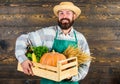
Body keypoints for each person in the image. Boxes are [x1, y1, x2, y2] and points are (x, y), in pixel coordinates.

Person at [15, 1, 91, 84]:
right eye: (61, 13)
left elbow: (85, 64)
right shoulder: (47, 33)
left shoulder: (80, 38)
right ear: (58, 16)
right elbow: (22, 39)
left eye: (68, 13)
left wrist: (71, 77)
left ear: (74, 16)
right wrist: (23, 60)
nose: (64, 16)